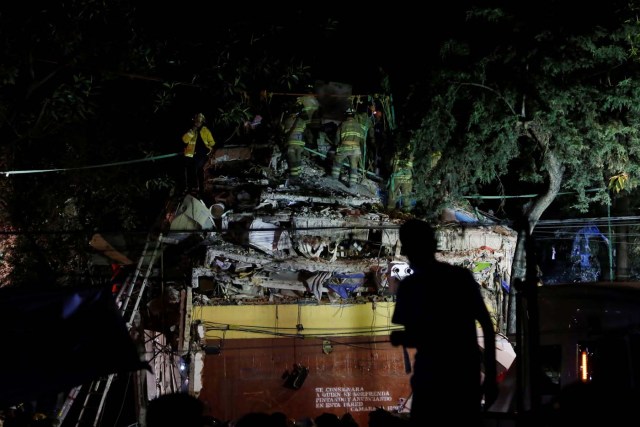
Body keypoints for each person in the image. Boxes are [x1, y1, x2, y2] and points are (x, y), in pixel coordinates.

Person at [390, 219, 497, 426]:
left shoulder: (410, 288)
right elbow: (486, 325)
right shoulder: (460, 278)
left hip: (431, 380)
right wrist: (490, 378)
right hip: (464, 379)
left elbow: (415, 336)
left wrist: (401, 337)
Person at [331, 108, 369, 188]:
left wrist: (336, 144)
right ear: (354, 115)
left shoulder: (342, 124)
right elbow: (362, 139)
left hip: (344, 148)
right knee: (354, 166)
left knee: (337, 161)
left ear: (346, 116)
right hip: (356, 150)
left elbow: (337, 139)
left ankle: (334, 180)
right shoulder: (359, 126)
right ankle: (352, 185)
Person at [182, 112, 216, 195]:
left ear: (202, 122)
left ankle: (196, 187)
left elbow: (212, 143)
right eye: (196, 121)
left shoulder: (205, 131)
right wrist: (193, 130)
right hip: (191, 154)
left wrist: (210, 149)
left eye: (199, 122)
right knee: (189, 169)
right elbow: (184, 140)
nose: (197, 123)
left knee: (196, 167)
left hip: (202, 154)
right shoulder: (191, 130)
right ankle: (191, 188)